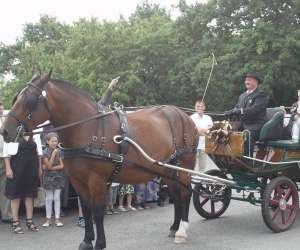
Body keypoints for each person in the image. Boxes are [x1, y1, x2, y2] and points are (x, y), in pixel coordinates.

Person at [3, 133, 43, 234]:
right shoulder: (13, 133)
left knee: (30, 195)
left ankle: (29, 221)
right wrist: (8, 168)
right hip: (16, 167)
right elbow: (6, 154)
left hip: (32, 167)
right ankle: (15, 222)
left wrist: (39, 167)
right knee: (15, 195)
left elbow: (39, 154)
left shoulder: (35, 134)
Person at [225, 72, 267, 156]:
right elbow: (236, 108)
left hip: (256, 126)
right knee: (225, 132)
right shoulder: (242, 96)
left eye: (249, 80)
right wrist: (229, 112)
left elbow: (254, 109)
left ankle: (248, 161)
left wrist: (240, 111)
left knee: (246, 134)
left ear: (256, 82)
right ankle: (228, 157)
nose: (247, 82)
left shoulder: (260, 95)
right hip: (242, 125)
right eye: (246, 80)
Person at [42, 132, 64, 227]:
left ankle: (57, 219)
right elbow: (49, 165)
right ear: (47, 142)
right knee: (49, 198)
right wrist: (53, 154)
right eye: (52, 141)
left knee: (57, 198)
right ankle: (48, 219)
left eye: (56, 141)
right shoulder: (45, 152)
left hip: (58, 177)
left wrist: (50, 168)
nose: (54, 143)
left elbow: (62, 165)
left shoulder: (60, 151)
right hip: (47, 177)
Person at [190, 100, 213, 172]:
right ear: (195, 107)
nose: (199, 108)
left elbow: (210, 130)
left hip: (204, 146)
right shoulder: (191, 118)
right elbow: (193, 131)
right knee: (193, 165)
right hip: (193, 146)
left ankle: (201, 181)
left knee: (202, 166)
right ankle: (193, 181)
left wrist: (200, 130)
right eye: (198, 106)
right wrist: (203, 130)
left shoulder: (208, 118)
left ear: (204, 107)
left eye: (201, 106)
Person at [0, 103, 12, 223]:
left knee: (4, 187)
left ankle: (6, 214)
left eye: (2, 109)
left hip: (4, 157)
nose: (1, 111)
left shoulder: (7, 120)